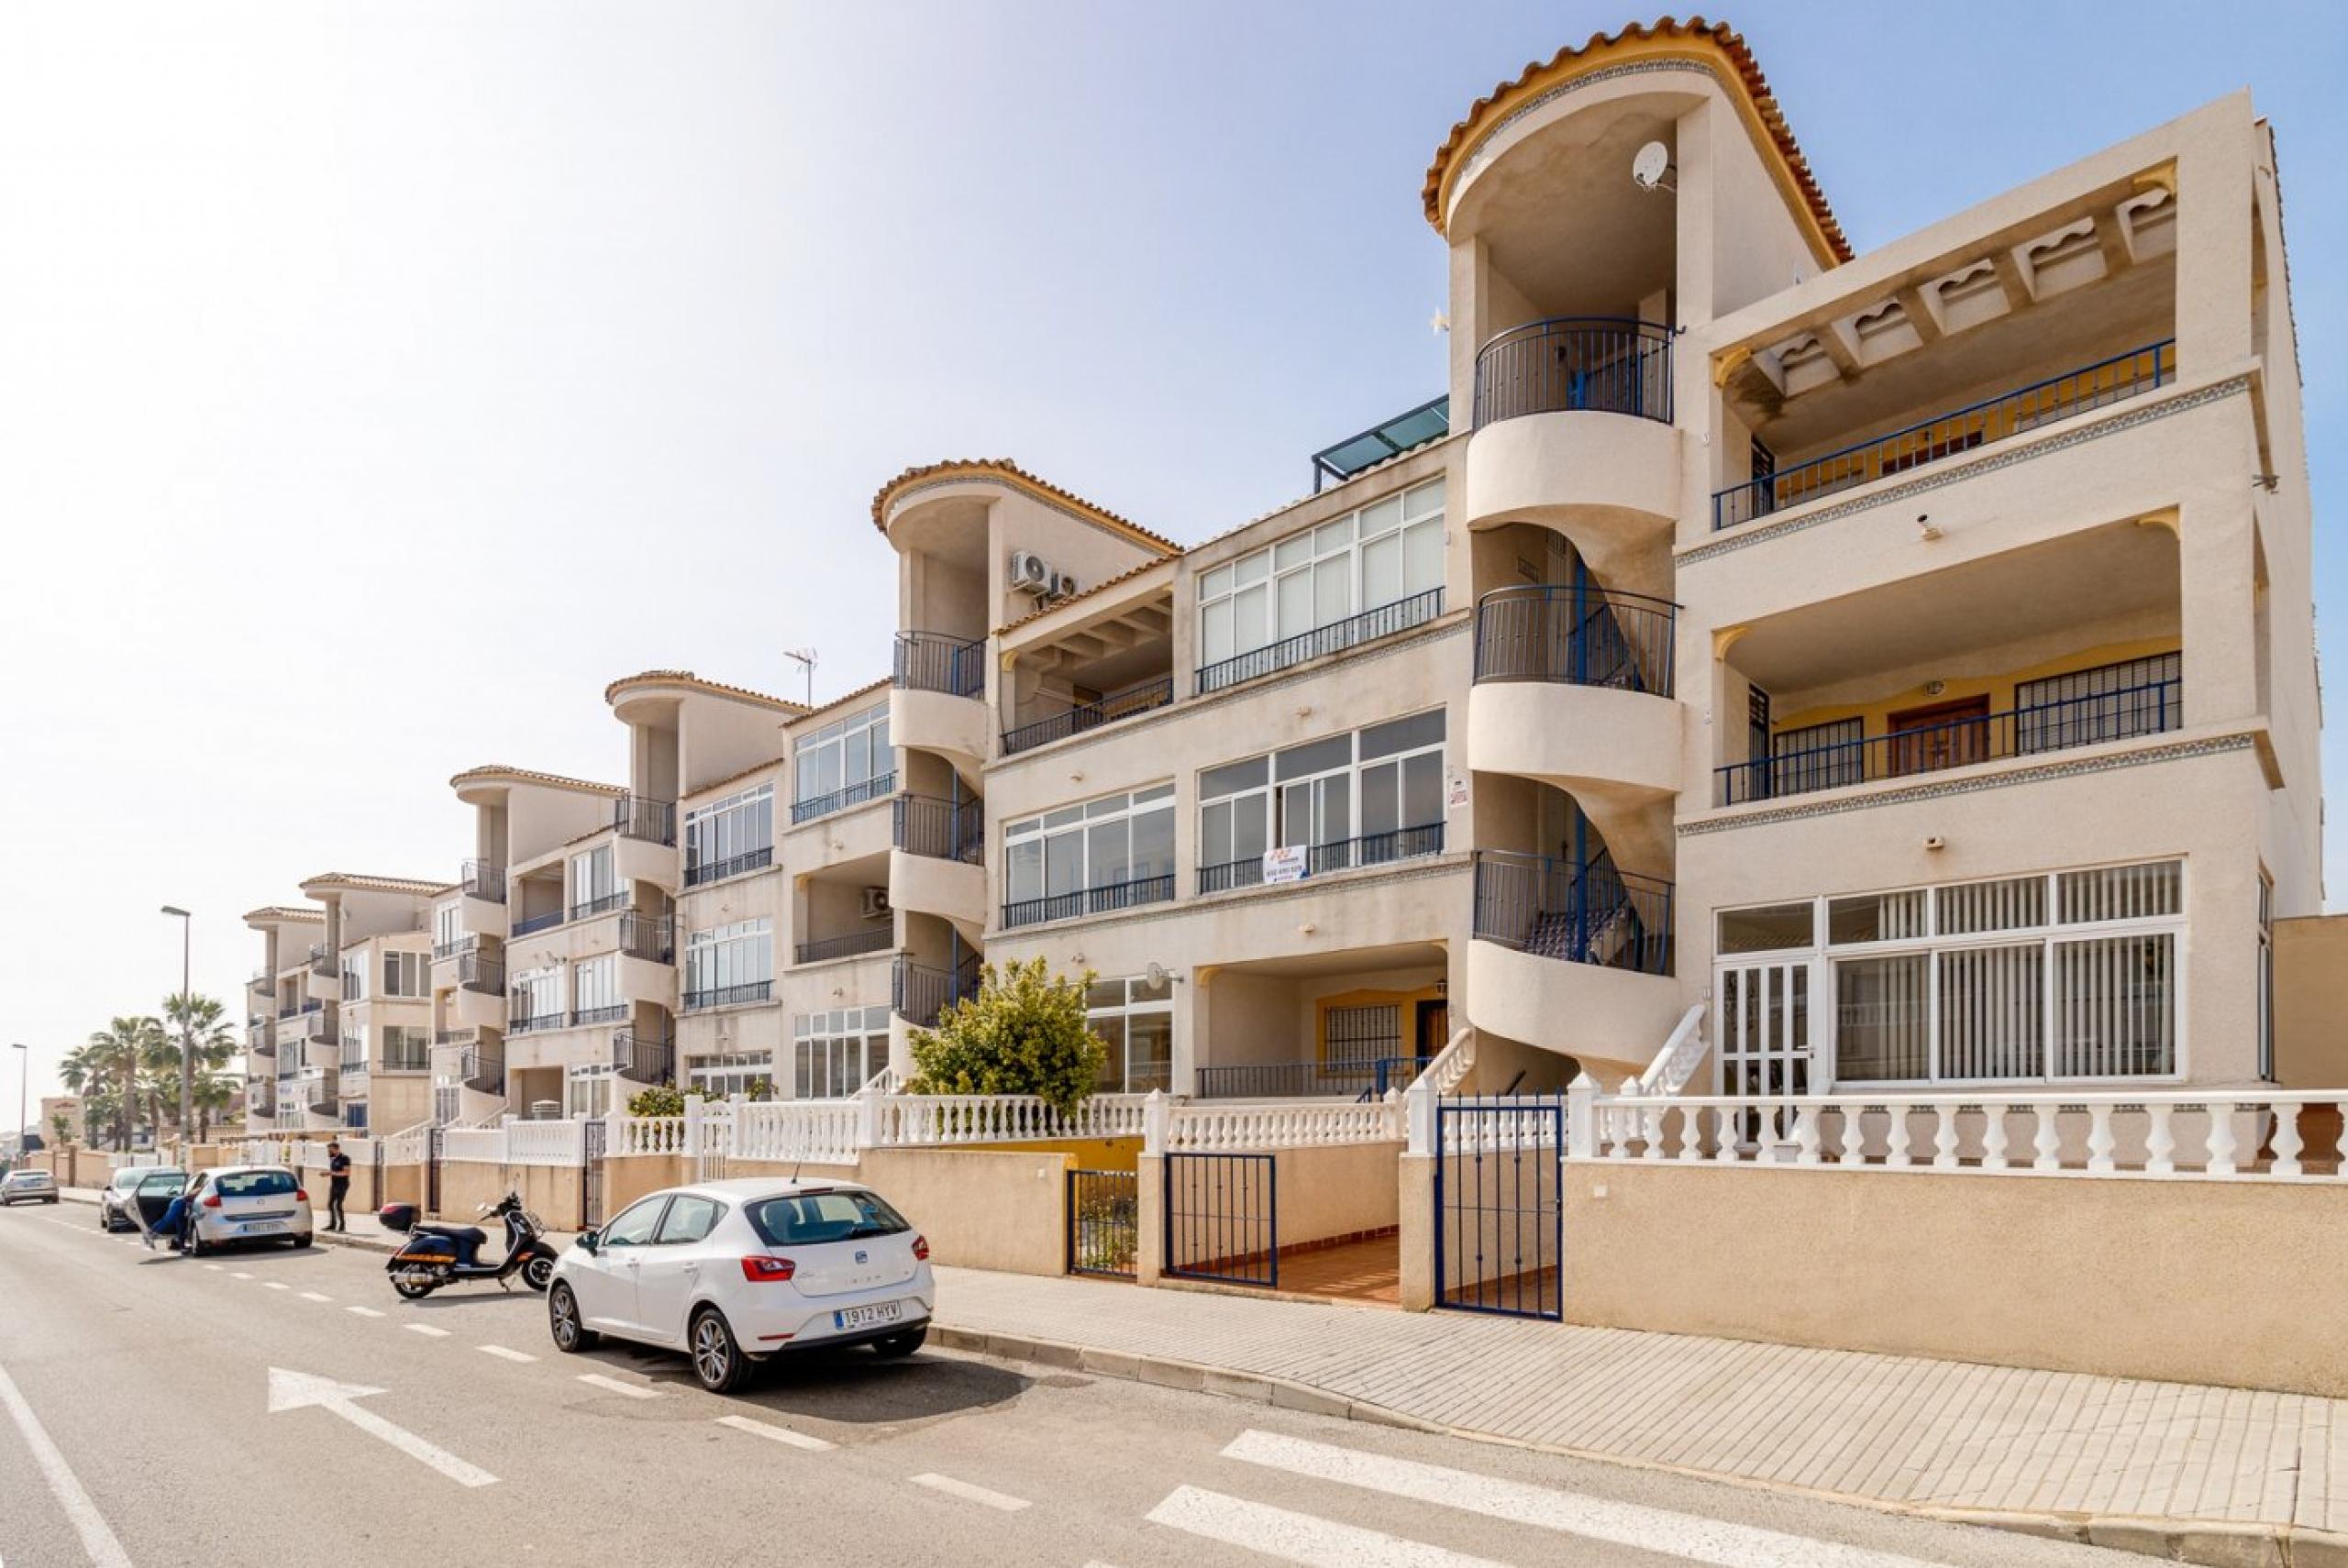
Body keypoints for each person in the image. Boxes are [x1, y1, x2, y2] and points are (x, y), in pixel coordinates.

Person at [326, 1141, 352, 1232]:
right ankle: (332, 1225)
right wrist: (328, 1174)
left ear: (336, 1149)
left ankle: (342, 1225)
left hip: (342, 1185)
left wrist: (332, 1173)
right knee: (330, 1205)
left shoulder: (344, 1158)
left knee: (338, 1205)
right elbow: (334, 1172)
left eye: (330, 1150)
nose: (329, 1152)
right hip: (334, 1184)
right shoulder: (333, 1159)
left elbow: (346, 1172)